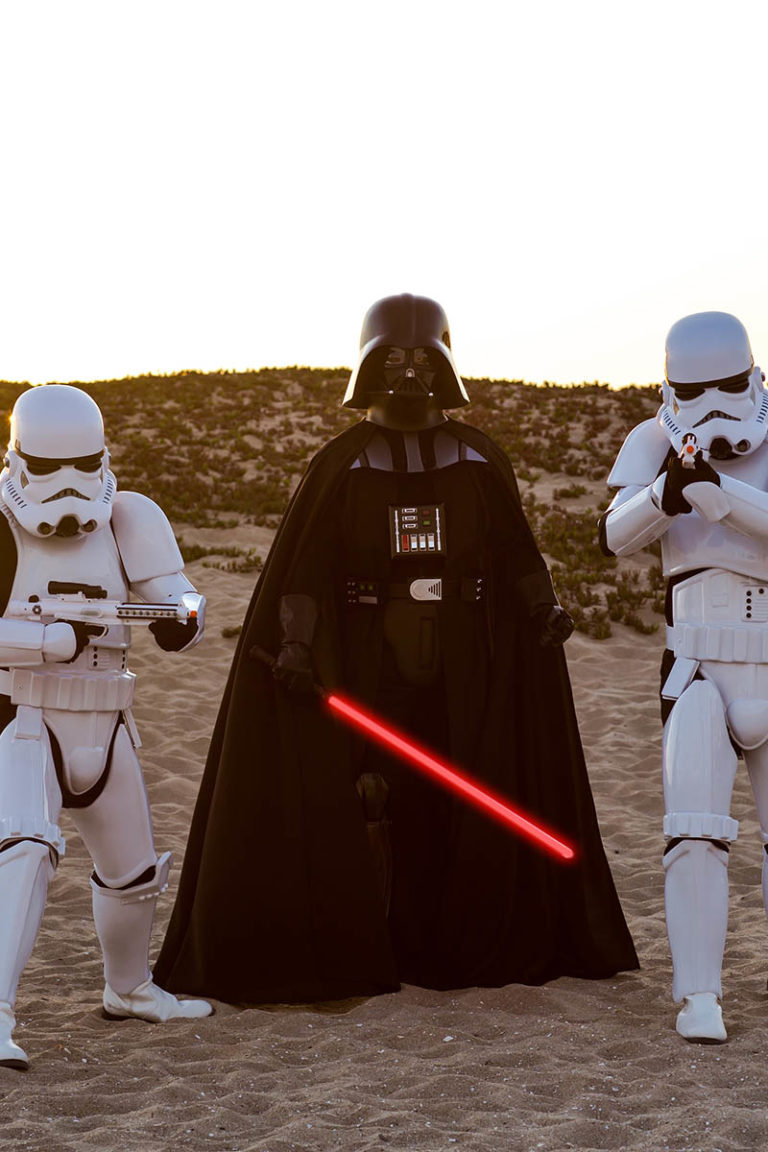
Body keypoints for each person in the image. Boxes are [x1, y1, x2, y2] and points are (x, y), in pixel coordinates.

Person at [155, 293, 638, 1003]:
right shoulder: (343, 464)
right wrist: (296, 645)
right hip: (366, 655)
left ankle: (458, 940)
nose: (409, 373)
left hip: (467, 657)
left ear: (444, 363)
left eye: (421, 359)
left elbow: (515, 549)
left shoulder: (478, 457)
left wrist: (543, 609)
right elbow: (307, 568)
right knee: (368, 791)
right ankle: (373, 941)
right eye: (394, 359)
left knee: (468, 786)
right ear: (369, 363)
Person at [0, 384, 211, 1070]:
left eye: (84, 465)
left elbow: (175, 601)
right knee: (24, 850)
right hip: (25, 717)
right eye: (49, 468)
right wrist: (43, 641)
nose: (68, 486)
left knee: (132, 872)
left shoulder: (129, 518)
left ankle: (130, 988)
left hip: (108, 722)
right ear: (18, 460)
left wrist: (182, 614)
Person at [600, 310, 768, 1043]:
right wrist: (665, 494)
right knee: (693, 832)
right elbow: (613, 535)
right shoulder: (651, 440)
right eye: (694, 391)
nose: (713, 407)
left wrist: (723, 496)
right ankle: (700, 994)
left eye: (727, 387)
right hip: (698, 664)